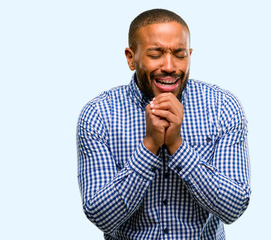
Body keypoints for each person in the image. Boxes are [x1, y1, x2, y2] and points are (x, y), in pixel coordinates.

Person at [76, 9, 251, 240]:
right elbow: (101, 216)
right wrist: (150, 145)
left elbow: (234, 207)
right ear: (131, 58)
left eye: (179, 54)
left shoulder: (223, 107)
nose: (169, 66)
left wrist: (177, 146)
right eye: (156, 54)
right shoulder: (98, 115)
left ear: (189, 54)